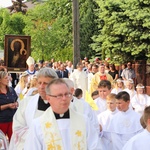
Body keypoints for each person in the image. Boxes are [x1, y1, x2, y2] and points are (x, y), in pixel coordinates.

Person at [24, 79, 102, 150]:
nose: (64, 98)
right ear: (48, 98)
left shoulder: (84, 121)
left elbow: (95, 146)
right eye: (59, 95)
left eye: (66, 94)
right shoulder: (38, 125)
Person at [9, 67, 58, 150]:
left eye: (45, 83)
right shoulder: (26, 103)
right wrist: (40, 137)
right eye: (40, 83)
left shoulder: (62, 104)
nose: (42, 86)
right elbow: (18, 128)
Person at [0, 67, 18, 141]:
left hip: (12, 119)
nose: (8, 79)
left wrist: (16, 104)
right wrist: (8, 106)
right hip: (1, 121)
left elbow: (17, 100)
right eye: (5, 78)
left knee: (13, 141)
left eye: (8, 77)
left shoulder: (11, 90)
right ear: (0, 80)